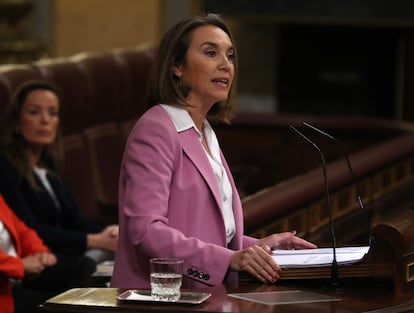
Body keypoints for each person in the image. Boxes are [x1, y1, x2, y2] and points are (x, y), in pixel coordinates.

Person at [110, 13, 317, 290]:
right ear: (177, 67)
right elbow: (145, 231)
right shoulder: (155, 129)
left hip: (199, 295)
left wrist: (258, 248)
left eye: (230, 56)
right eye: (211, 53)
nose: (225, 65)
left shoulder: (205, 132)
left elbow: (204, 234)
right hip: (160, 297)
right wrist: (232, 259)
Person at [0, 80, 119, 293]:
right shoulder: (5, 166)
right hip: (38, 263)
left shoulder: (48, 165)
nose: (45, 120)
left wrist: (108, 234)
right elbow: (29, 226)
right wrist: (93, 240)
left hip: (66, 254)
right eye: (35, 112)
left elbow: (74, 218)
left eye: (53, 113)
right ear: (17, 122)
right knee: (88, 266)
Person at [0, 193, 57, 313]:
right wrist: (19, 265)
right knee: (64, 306)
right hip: (5, 290)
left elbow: (22, 231)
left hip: (21, 277)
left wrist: (40, 252)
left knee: (82, 266)